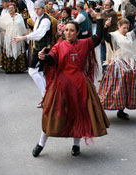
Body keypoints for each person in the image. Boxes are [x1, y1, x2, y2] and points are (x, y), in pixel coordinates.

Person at [32, 11, 110, 157]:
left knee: (79, 114)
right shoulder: (58, 46)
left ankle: (76, 145)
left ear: (77, 32)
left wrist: (99, 18)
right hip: (61, 86)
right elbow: (52, 60)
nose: (68, 33)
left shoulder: (84, 43)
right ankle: (40, 144)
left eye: (72, 30)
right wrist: (44, 57)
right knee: (52, 115)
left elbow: (98, 37)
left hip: (80, 85)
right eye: (66, 30)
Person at [13, 0, 52, 107]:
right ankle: (46, 97)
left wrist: (23, 37)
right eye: (35, 9)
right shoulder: (37, 17)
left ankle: (46, 97)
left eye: (38, 9)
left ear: (43, 9)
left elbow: (39, 34)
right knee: (37, 72)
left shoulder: (45, 21)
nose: (36, 11)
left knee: (33, 72)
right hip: (38, 49)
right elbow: (30, 6)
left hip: (43, 49)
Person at [0, 1, 27, 73]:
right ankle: (9, 69)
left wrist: (23, 36)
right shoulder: (5, 17)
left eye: (12, 8)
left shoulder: (19, 16)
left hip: (18, 36)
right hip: (9, 37)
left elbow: (22, 26)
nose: (11, 9)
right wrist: (3, 30)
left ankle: (19, 68)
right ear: (8, 9)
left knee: (19, 50)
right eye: (9, 8)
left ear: (15, 9)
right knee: (9, 50)